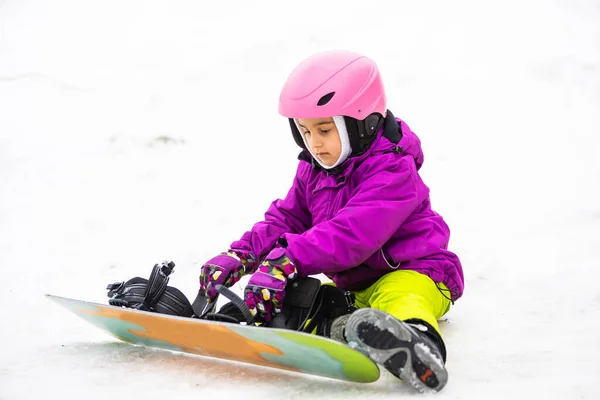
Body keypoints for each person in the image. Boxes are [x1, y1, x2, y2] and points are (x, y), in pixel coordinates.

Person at [198, 50, 464, 393]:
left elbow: (351, 235)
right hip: (355, 287)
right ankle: (346, 329)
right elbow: (289, 218)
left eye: (324, 130)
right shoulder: (314, 168)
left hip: (416, 272)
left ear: (364, 123)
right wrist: (243, 255)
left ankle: (417, 343)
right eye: (304, 132)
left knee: (402, 296)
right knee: (302, 296)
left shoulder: (393, 169)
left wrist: (288, 260)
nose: (314, 143)